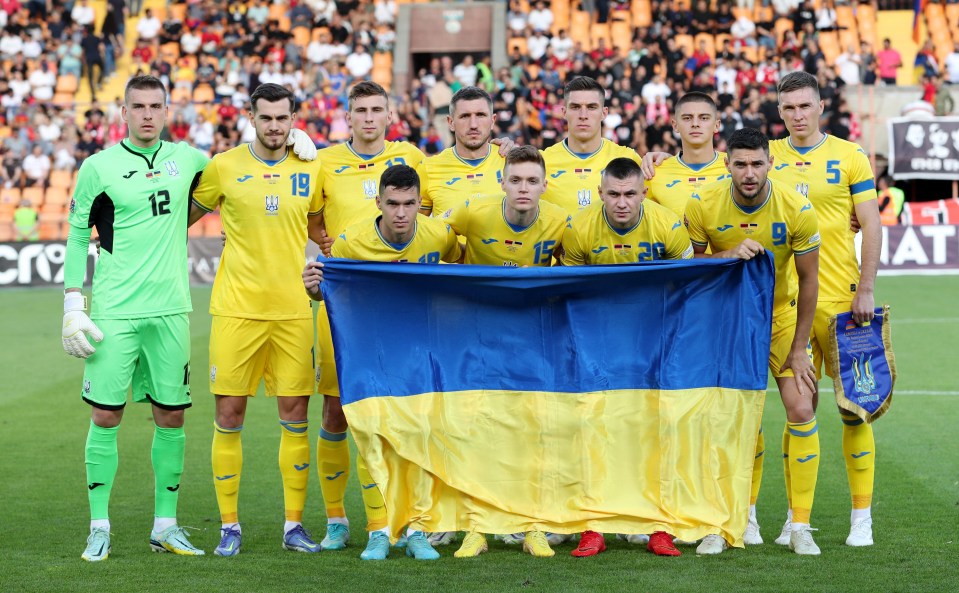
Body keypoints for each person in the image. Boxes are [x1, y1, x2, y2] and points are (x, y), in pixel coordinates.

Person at [61, 75, 209, 562]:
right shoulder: (98, 167)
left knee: (171, 415)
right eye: (138, 106)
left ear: (168, 110)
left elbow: (235, 175)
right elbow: (79, 235)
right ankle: (98, 525)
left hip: (170, 310)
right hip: (115, 311)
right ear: (122, 111)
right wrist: (72, 302)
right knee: (106, 414)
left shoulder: (188, 158)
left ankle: (164, 526)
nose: (147, 114)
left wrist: (290, 143)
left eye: (156, 106)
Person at [189, 83, 325, 558]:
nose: (273, 126)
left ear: (294, 119)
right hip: (235, 311)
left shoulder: (312, 166)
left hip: (292, 312)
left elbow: (326, 232)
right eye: (265, 117)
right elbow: (179, 217)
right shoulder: (223, 166)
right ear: (250, 116)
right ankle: (229, 526)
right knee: (228, 417)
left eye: (282, 118)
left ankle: (293, 526)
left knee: (295, 419)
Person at [302, 165, 460, 561]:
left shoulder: (437, 234)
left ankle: (418, 528)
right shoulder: (352, 242)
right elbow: (328, 290)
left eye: (410, 204)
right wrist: (315, 289)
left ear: (419, 204)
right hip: (370, 348)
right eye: (393, 204)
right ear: (379, 203)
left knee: (421, 435)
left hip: (420, 348)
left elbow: (460, 268)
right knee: (372, 436)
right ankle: (378, 529)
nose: (402, 213)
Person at [684, 127, 821, 555]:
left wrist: (799, 348)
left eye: (756, 163)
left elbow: (810, 280)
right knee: (738, 418)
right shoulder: (702, 204)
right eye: (740, 164)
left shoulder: (796, 207)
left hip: (780, 318)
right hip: (729, 321)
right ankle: (739, 517)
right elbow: (689, 268)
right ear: (727, 165)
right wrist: (725, 255)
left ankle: (799, 525)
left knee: (800, 406)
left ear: (770, 164)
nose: (748, 172)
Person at [311, 81, 430, 559]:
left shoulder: (413, 158)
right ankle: (337, 520)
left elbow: (438, 213)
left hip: (399, 311)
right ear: (348, 116)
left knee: (404, 414)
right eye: (359, 110)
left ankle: (407, 521)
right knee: (337, 410)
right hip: (344, 308)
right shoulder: (323, 161)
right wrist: (329, 254)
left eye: (376, 109)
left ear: (389, 114)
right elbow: (312, 218)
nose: (367, 117)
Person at [768, 71, 881, 549]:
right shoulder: (767, 157)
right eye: (788, 108)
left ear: (820, 107)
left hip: (842, 305)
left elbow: (872, 223)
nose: (797, 115)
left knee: (855, 410)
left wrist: (868, 287)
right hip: (789, 308)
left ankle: (862, 518)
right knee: (800, 412)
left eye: (804, 106)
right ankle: (797, 520)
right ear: (780, 112)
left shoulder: (849, 155)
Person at [560, 158, 692, 557]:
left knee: (656, 434)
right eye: (613, 194)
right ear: (600, 193)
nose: (621, 203)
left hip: (654, 342)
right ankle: (593, 525)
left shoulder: (668, 225)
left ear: (643, 194)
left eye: (629, 194)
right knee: (593, 432)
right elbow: (572, 295)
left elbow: (688, 287)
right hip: (599, 343)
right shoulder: (579, 228)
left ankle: (659, 527)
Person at [541, 77, 641, 217]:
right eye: (575, 107)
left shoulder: (628, 158)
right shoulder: (542, 162)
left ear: (604, 113)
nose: (583, 115)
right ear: (564, 112)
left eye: (591, 107)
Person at [420, 86, 506, 227]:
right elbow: (416, 229)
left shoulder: (511, 162)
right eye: (465, 116)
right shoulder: (429, 168)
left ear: (493, 121)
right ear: (450, 123)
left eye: (480, 115)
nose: (473, 125)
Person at [645, 92, 729, 220]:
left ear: (716, 125)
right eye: (687, 118)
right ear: (675, 125)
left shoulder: (737, 168)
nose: (695, 123)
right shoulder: (654, 173)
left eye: (704, 118)